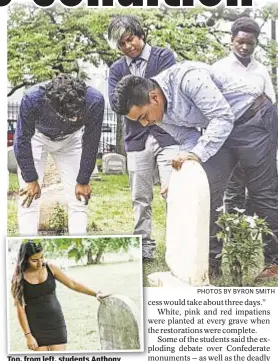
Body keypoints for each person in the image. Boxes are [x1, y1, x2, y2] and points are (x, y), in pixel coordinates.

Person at [112, 61, 278, 280]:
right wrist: (182, 178)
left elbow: (223, 117)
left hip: (253, 117)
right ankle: (210, 264)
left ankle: (275, 261)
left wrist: (197, 154)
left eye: (143, 116)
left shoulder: (188, 78)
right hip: (220, 130)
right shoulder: (157, 112)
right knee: (206, 191)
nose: (145, 123)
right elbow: (188, 138)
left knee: (261, 192)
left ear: (154, 97)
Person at [108, 15, 179, 261]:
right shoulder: (116, 69)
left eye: (131, 39)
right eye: (122, 45)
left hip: (168, 135)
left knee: (174, 192)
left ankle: (177, 246)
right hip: (136, 139)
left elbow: (164, 93)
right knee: (140, 197)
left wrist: (136, 95)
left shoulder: (164, 57)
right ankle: (144, 247)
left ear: (141, 34)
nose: (128, 47)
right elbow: (118, 104)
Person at [14, 73, 104, 236]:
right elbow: (22, 139)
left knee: (79, 198)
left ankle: (79, 244)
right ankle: (27, 250)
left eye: (77, 113)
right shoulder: (33, 98)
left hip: (71, 140)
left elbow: (91, 140)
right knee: (28, 197)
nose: (74, 118)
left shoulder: (95, 101)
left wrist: (83, 180)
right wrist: (30, 179)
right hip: (37, 137)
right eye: (68, 114)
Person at [213, 17, 277, 214]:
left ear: (256, 43)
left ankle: (268, 241)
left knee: (263, 192)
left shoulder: (261, 70)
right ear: (232, 40)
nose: (244, 47)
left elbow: (271, 104)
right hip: (229, 136)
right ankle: (235, 239)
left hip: (257, 137)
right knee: (233, 189)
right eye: (240, 42)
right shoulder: (218, 69)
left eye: (250, 43)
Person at [11, 240, 107, 352]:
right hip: (35, 326)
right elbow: (19, 308)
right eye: (34, 260)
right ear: (25, 259)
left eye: (42, 257)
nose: (40, 263)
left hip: (55, 322)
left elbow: (73, 284)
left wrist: (95, 293)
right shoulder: (18, 278)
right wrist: (28, 335)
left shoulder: (51, 268)